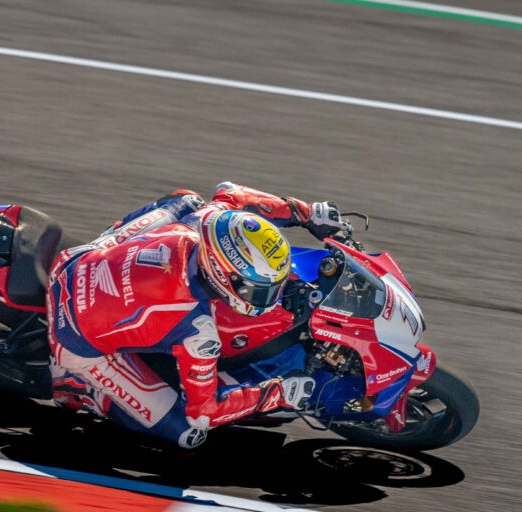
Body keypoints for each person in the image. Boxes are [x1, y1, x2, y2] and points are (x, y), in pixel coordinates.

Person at [46, 182, 350, 448]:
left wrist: (305, 213)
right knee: (188, 432)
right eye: (260, 290)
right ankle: (82, 390)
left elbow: (232, 194)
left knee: (187, 201)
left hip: (74, 261)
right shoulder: (197, 330)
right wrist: (277, 393)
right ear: (220, 273)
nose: (272, 298)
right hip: (74, 338)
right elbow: (204, 412)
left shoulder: (205, 220)